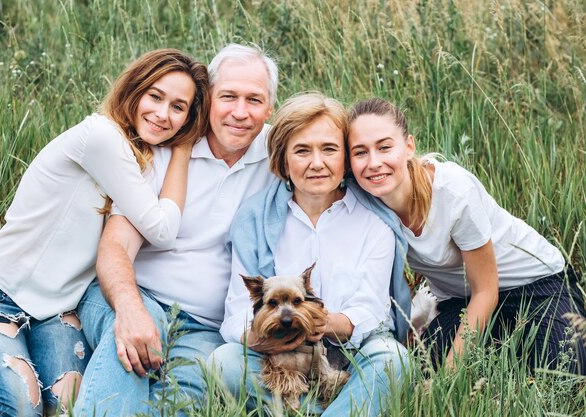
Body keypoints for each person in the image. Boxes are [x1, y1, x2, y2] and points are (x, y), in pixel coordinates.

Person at [0, 48, 209, 416]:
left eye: (178, 107)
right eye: (155, 96)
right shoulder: (101, 137)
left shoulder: (144, 158)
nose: (162, 114)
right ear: (135, 90)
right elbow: (162, 229)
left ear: (189, 116)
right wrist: (185, 150)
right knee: (20, 410)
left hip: (59, 308)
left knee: (67, 409)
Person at [73, 43, 278, 416]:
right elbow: (115, 246)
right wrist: (131, 310)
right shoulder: (165, 147)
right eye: (228, 96)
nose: (240, 112)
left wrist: (420, 168)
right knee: (128, 363)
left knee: (176, 403)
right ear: (207, 99)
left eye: (254, 100)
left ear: (270, 109)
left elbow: (341, 148)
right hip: (137, 295)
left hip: (205, 325)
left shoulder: (281, 157)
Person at [347, 97, 586, 373]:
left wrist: (449, 375)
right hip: (460, 299)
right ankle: (496, 337)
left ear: (409, 146)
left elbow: (486, 291)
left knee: (562, 371)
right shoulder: (363, 200)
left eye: (385, 147)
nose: (374, 162)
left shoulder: (453, 192)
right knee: (423, 366)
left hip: (535, 286)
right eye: (360, 152)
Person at [209, 93, 410, 416]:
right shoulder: (254, 220)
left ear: (345, 157)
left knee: (393, 362)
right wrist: (270, 336)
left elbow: (372, 310)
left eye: (329, 149)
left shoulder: (374, 220)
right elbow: (235, 315)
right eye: (302, 151)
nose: (317, 163)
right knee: (224, 363)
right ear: (283, 160)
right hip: (281, 356)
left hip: (354, 348)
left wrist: (324, 324)